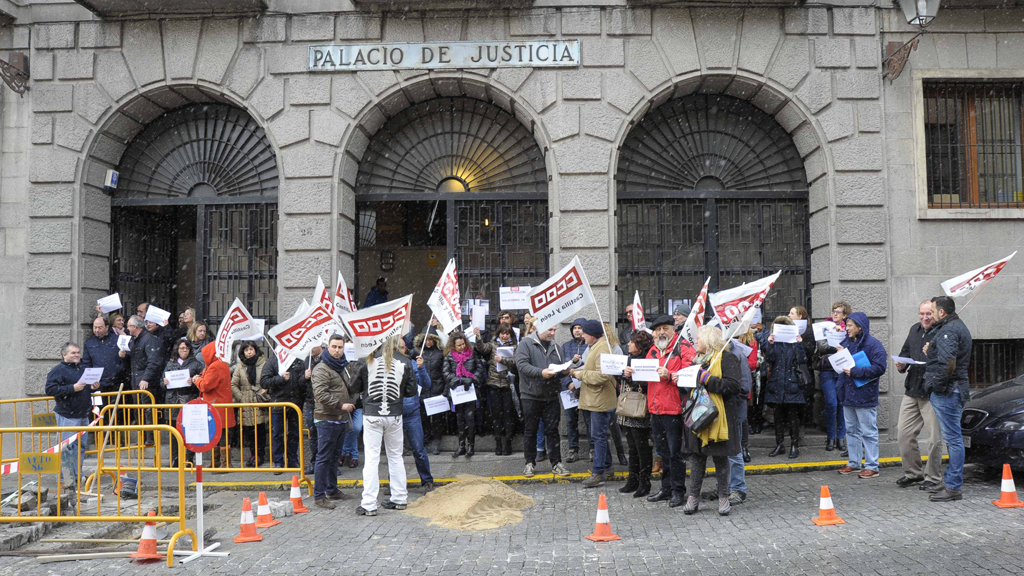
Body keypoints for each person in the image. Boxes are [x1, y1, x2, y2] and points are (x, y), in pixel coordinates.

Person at [628, 315, 695, 508]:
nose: (661, 332)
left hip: (674, 408)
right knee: (663, 451)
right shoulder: (652, 351)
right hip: (655, 408)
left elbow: (690, 377)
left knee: (675, 453)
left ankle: (678, 490)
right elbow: (646, 380)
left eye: (665, 328)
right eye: (657, 330)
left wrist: (671, 376)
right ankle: (666, 488)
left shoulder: (683, 348)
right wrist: (632, 375)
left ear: (673, 329)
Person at [348, 336, 418, 516]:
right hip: (394, 413)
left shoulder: (367, 359)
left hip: (372, 413)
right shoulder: (405, 361)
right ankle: (400, 498)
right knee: (395, 456)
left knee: (372, 458)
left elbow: (353, 387)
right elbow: (411, 391)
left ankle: (369, 503)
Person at [683, 325, 743, 516]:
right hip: (698, 416)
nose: (696, 342)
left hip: (719, 417)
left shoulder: (727, 358)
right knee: (697, 458)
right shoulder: (697, 361)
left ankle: (723, 496)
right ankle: (693, 497)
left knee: (721, 459)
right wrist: (682, 380)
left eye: (698, 338)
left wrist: (708, 379)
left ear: (708, 340)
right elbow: (691, 387)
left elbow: (734, 386)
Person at [925, 295, 972, 502]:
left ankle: (953, 487)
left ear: (941, 312)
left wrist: (939, 386)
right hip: (954, 388)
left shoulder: (949, 330)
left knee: (953, 439)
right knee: (953, 439)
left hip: (949, 391)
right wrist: (932, 351)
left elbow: (949, 364)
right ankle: (951, 484)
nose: (931, 314)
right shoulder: (955, 327)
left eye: (933, 311)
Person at [894, 301, 943, 490]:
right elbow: (905, 353)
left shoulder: (941, 332)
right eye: (922, 314)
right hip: (912, 389)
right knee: (903, 434)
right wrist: (901, 365)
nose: (925, 317)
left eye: (929, 313)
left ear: (937, 314)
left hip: (932, 392)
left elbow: (946, 362)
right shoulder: (914, 329)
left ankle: (933, 477)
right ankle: (913, 473)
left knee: (934, 438)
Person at [514, 324, 571, 478]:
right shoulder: (525, 344)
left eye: (554, 330)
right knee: (530, 430)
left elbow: (558, 369)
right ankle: (529, 463)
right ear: (539, 329)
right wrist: (541, 373)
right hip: (530, 395)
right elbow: (522, 365)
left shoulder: (557, 347)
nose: (552, 333)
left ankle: (556, 463)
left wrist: (564, 371)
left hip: (551, 396)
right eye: (550, 330)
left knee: (552, 430)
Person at [835, 312, 887, 479]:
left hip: (865, 394)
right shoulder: (846, 342)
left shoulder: (874, 345)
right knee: (851, 430)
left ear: (859, 327)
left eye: (850, 325)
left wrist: (855, 371)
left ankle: (872, 465)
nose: (847, 328)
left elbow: (880, 368)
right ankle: (854, 462)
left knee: (868, 431)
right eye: (847, 325)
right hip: (848, 393)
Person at [310, 335, 356, 509]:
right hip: (326, 419)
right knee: (323, 457)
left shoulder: (342, 366)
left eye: (340, 347)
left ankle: (332, 489)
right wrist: (340, 405)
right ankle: (319, 496)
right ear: (327, 347)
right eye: (334, 347)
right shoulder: (322, 368)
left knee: (334, 457)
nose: (337, 350)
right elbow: (320, 395)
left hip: (340, 419)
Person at [45, 342, 98, 490]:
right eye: (73, 353)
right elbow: (50, 389)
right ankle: (64, 478)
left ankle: (76, 475)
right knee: (66, 448)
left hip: (83, 414)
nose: (77, 355)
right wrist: (71, 388)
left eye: (78, 352)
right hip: (67, 414)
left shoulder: (82, 369)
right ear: (64, 355)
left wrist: (93, 387)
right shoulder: (58, 370)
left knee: (80, 447)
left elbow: (84, 388)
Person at [573, 320, 618, 488]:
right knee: (598, 435)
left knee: (598, 436)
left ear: (591, 335)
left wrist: (580, 374)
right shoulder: (596, 346)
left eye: (584, 333)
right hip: (595, 399)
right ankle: (607, 466)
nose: (582, 335)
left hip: (600, 400)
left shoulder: (603, 347)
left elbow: (603, 375)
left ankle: (598, 472)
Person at [763, 316, 807, 459]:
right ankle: (780, 444)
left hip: (791, 382)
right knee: (778, 416)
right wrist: (770, 343)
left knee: (792, 416)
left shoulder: (794, 343)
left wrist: (799, 343)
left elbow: (802, 359)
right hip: (777, 383)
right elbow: (769, 359)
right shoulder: (773, 342)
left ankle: (794, 445)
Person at [617, 330, 654, 498]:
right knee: (632, 446)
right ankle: (633, 478)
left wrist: (632, 377)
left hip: (638, 410)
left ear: (639, 345)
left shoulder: (647, 361)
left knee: (642, 447)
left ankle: (644, 482)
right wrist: (622, 374)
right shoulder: (628, 359)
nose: (628, 345)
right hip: (626, 408)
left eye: (632, 342)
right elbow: (621, 380)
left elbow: (647, 384)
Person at [260, 346, 309, 474]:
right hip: (278, 403)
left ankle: (292, 459)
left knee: (294, 433)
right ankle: (278, 462)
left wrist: (305, 377)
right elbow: (264, 382)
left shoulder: (298, 361)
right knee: (277, 434)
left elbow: (301, 382)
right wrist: (280, 378)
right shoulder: (272, 361)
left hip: (295, 403)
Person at [119, 315, 164, 444]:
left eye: (128, 326)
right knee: (139, 409)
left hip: (145, 382)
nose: (126, 329)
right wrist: (124, 355)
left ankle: (150, 437)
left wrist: (145, 379)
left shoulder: (149, 340)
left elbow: (153, 362)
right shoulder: (135, 340)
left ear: (134, 327)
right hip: (136, 380)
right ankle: (142, 435)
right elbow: (134, 359)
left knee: (147, 409)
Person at [475, 325, 518, 456]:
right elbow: (482, 348)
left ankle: (508, 442)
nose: (504, 336)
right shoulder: (493, 344)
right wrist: (478, 337)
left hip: (507, 385)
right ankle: (498, 442)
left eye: (507, 334)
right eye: (502, 333)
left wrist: (502, 360)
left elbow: (516, 362)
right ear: (498, 334)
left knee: (508, 415)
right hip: (493, 384)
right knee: (496, 415)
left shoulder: (515, 346)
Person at [398, 338, 434, 491]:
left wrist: (421, 368)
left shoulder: (413, 364)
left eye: (400, 347)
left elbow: (426, 384)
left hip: (412, 413)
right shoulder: (386, 365)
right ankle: (396, 482)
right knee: (395, 452)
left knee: (418, 449)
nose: (398, 349)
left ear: (405, 348)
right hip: (394, 414)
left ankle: (426, 480)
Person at [443, 332, 486, 458]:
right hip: (457, 392)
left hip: (470, 391)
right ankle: (461, 446)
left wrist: (471, 379)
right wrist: (458, 380)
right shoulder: (449, 356)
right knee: (459, 420)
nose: (461, 347)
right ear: (453, 346)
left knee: (470, 419)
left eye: (463, 344)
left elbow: (479, 369)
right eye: (459, 345)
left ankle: (471, 446)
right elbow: (446, 373)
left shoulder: (472, 354)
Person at [193, 342, 235, 467]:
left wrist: (197, 380)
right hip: (220, 405)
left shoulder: (215, 366)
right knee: (220, 434)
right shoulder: (220, 364)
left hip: (217, 405)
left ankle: (221, 463)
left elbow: (206, 385)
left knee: (218, 434)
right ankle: (221, 462)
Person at [162, 338, 203, 467]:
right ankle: (176, 457)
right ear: (177, 350)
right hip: (172, 401)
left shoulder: (195, 364)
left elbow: (201, 382)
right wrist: (164, 383)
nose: (184, 351)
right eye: (181, 348)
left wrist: (194, 382)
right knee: (174, 432)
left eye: (186, 348)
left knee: (188, 430)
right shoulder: (170, 364)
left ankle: (189, 457)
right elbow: (161, 382)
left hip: (187, 399)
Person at [817, 301, 851, 454]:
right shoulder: (825, 327)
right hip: (827, 370)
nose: (835, 314)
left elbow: (852, 347)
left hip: (843, 371)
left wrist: (842, 336)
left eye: (839, 312)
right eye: (834, 311)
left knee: (842, 404)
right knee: (831, 402)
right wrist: (835, 340)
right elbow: (821, 347)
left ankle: (840, 438)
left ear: (845, 315)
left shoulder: (849, 329)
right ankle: (830, 437)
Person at [727, 331, 756, 505]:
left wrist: (725, 389)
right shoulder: (719, 354)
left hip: (734, 409)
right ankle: (725, 486)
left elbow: (745, 386)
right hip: (723, 411)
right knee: (724, 452)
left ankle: (738, 488)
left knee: (734, 451)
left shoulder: (737, 354)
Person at [231, 342, 269, 468]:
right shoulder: (240, 366)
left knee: (260, 430)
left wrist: (265, 390)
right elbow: (233, 384)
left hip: (259, 401)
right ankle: (253, 455)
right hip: (246, 403)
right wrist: (241, 398)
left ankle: (260, 455)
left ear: (255, 350)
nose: (249, 352)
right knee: (249, 431)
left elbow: (268, 379)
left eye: (251, 349)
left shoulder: (263, 363)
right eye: (246, 350)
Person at [415, 330, 446, 455]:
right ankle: (426, 441)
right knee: (424, 419)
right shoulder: (417, 353)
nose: (428, 342)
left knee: (437, 419)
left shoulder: (440, 354)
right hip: (423, 391)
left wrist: (444, 390)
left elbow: (443, 373)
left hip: (437, 389)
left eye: (430, 339)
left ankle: (436, 442)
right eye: (426, 339)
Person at [561, 318, 589, 463]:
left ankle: (592, 449)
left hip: (586, 388)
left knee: (589, 420)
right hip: (569, 390)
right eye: (574, 328)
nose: (577, 330)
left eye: (580, 327)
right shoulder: (565, 346)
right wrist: (568, 383)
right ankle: (573, 449)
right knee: (571, 421)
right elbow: (561, 368)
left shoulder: (590, 346)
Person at [789, 305, 817, 425]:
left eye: (792, 313)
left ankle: (803, 422)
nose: (789, 315)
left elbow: (810, 350)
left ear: (800, 316)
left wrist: (801, 343)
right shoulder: (787, 328)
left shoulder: (809, 331)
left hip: (804, 369)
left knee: (804, 397)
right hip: (790, 369)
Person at [82, 316, 125, 394]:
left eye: (100, 328)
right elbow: (86, 363)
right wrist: (90, 381)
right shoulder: (89, 342)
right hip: (98, 384)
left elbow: (126, 359)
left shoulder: (117, 340)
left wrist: (123, 357)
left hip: (116, 382)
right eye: (95, 327)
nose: (97, 330)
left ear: (107, 327)